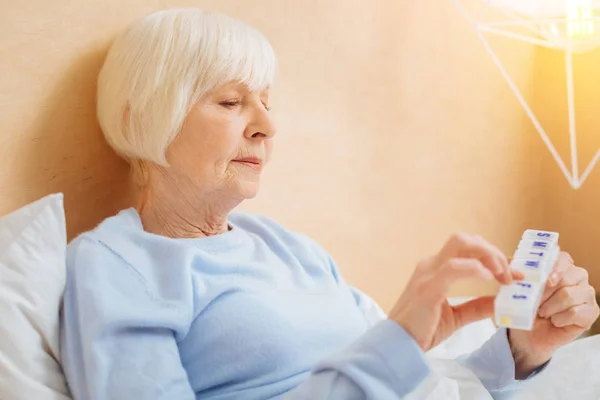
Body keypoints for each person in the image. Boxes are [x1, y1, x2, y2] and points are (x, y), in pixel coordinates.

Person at [59, 8, 599, 400]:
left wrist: (521, 349)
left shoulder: (285, 247)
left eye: (267, 103)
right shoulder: (115, 265)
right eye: (230, 102)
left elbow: (402, 382)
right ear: (142, 119)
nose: (268, 127)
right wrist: (396, 342)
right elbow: (375, 371)